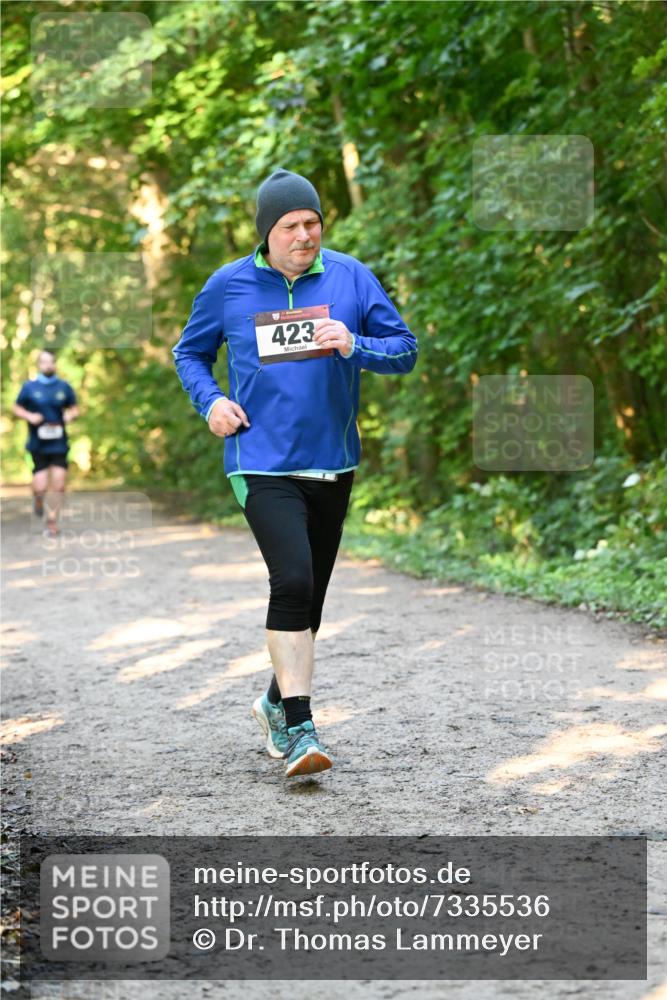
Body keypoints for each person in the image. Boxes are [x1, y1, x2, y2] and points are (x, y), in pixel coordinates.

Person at [173, 168, 417, 778]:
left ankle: (273, 700)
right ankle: (300, 726)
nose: (305, 235)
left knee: (312, 596)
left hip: (333, 461)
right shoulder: (228, 285)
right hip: (259, 461)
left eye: (313, 223)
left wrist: (354, 344)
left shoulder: (350, 276)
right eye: (291, 226)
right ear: (267, 232)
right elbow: (190, 353)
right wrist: (211, 403)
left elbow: (405, 349)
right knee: (294, 579)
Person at [13, 349, 79, 538]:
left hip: (59, 443)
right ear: (39, 364)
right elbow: (17, 408)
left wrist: (70, 415)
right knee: (40, 486)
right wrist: (29, 416)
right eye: (44, 362)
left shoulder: (64, 387)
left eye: (51, 361)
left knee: (58, 486)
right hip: (37, 444)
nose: (47, 365)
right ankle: (38, 500)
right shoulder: (29, 387)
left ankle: (52, 523)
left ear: (55, 364)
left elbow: (75, 409)